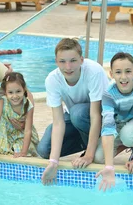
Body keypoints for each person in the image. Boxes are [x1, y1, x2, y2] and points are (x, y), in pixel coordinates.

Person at [37, 38, 109, 185]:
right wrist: (53, 162)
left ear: (82, 60)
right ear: (56, 62)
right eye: (62, 61)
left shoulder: (94, 71)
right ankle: (88, 143)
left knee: (77, 113)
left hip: (102, 119)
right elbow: (58, 122)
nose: (68, 67)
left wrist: (89, 156)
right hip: (77, 121)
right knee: (44, 149)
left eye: (73, 61)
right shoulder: (52, 79)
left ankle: (99, 146)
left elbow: (95, 115)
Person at [94, 52, 133, 191]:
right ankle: (129, 144)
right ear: (111, 74)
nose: (123, 77)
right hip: (120, 124)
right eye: (118, 72)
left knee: (128, 135)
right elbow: (107, 128)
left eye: (128, 71)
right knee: (99, 158)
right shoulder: (108, 94)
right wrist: (109, 167)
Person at [0, 72, 39, 161]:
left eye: (18, 91)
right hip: (6, 133)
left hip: (21, 134)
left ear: (24, 89)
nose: (15, 96)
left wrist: (23, 152)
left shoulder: (28, 105)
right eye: (10, 92)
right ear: (5, 93)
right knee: (0, 149)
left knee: (22, 149)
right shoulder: (3, 102)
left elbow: (28, 130)